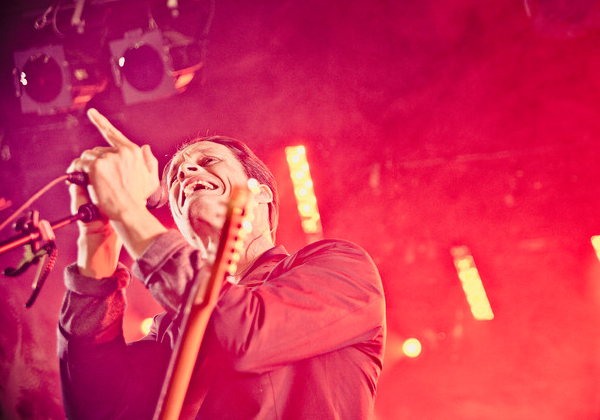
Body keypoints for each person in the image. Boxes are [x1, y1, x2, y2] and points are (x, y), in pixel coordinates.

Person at [58, 109, 386, 420]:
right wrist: (97, 238)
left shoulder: (342, 266)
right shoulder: (171, 329)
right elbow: (98, 406)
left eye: (208, 161)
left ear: (262, 194)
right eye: (173, 178)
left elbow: (245, 335)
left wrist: (128, 211)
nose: (185, 172)